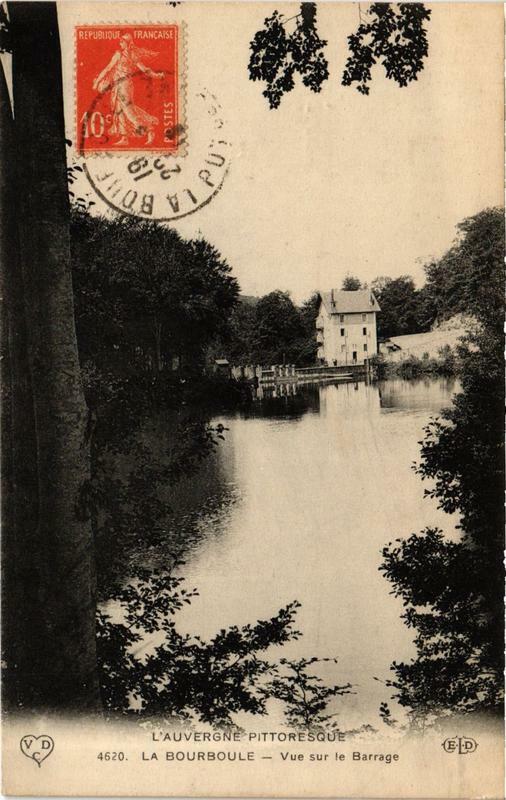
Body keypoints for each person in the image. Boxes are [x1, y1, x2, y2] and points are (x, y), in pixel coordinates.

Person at [92, 33, 164, 145]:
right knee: (119, 110)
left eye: (122, 41)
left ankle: (149, 130)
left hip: (125, 85)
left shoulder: (132, 55)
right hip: (117, 85)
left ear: (128, 43)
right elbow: (108, 69)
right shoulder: (118, 54)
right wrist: (97, 82)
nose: (120, 43)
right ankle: (124, 138)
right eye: (120, 41)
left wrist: (156, 75)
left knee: (128, 110)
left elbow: (144, 69)